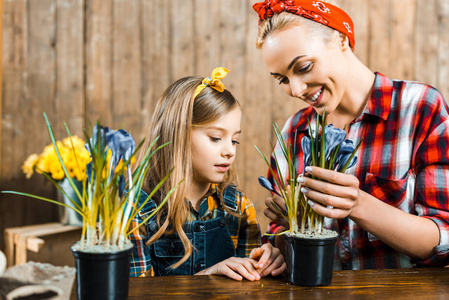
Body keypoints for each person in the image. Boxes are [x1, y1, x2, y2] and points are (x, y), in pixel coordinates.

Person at [253, 0, 449, 269]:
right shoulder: (293, 132)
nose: (296, 90)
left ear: (341, 40)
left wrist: (357, 205)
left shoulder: (420, 108)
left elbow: (443, 238)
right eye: (282, 79)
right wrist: (281, 241)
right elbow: (277, 235)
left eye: (304, 67)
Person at [129, 67, 286, 280]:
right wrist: (207, 277)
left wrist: (267, 258)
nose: (230, 150)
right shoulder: (137, 212)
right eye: (215, 137)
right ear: (178, 135)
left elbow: (251, 286)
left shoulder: (238, 207)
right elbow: (137, 292)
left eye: (234, 140)